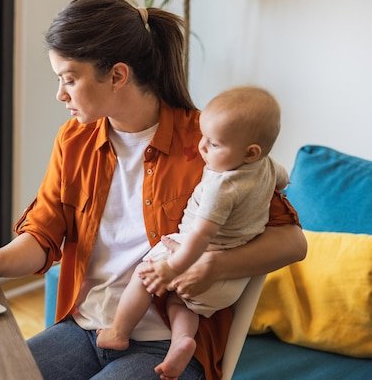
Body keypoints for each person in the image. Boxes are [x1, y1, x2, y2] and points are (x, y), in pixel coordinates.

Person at [0, 0, 306, 380]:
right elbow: (43, 235)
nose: (60, 94)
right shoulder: (75, 140)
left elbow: (292, 242)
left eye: (69, 79)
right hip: (86, 329)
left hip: (171, 345)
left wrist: (212, 264)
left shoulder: (210, 144)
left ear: (118, 75)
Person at [96, 86, 289, 379]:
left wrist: (171, 268)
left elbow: (200, 236)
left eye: (213, 144)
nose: (201, 147)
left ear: (250, 153)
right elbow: (283, 179)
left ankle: (118, 331)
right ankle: (181, 342)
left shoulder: (222, 186)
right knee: (180, 304)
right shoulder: (267, 167)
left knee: (144, 275)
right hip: (231, 282)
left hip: (199, 256)